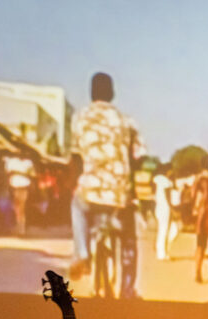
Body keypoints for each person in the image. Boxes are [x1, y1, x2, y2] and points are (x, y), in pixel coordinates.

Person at [69, 71, 145, 298]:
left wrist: (77, 183)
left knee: (76, 205)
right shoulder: (126, 121)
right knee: (129, 239)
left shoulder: (79, 118)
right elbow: (139, 157)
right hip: (120, 194)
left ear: (91, 93)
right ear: (112, 93)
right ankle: (128, 288)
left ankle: (82, 253)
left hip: (91, 191)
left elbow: (75, 158)